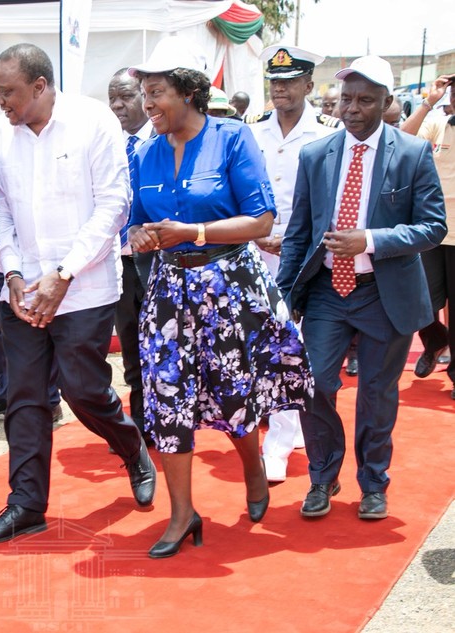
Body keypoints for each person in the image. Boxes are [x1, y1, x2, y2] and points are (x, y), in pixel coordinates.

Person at [127, 37, 313, 558]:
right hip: (168, 289)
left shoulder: (231, 138)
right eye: (144, 93)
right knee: (166, 397)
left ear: (189, 91)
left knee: (233, 392)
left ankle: (253, 466)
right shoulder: (144, 152)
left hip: (228, 285)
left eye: (156, 92)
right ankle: (183, 513)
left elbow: (261, 220)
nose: (148, 104)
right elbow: (137, 223)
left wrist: (194, 232)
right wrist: (139, 235)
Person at [0, 43, 156, 546]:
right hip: (24, 289)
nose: (0, 102)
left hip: (86, 288)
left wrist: (63, 274)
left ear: (39, 86)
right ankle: (26, 505)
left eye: (7, 92)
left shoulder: (94, 122)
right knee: (25, 398)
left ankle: (131, 446)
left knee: (84, 391)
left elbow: (114, 208)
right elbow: (0, 212)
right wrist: (11, 274)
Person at [277, 56, 446, 521]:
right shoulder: (316, 155)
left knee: (376, 391)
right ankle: (322, 475)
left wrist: (369, 240)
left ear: (387, 103)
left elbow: (433, 227)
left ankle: (373, 483)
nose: (351, 108)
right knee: (315, 385)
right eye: (345, 99)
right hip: (328, 291)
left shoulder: (412, 154)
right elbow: (299, 232)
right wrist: (285, 294)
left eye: (364, 100)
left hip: (383, 293)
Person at [246, 45, 339, 483]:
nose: (280, 88)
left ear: (308, 85)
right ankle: (286, 423)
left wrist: (301, 244)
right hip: (254, 254)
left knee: (288, 349)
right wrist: (257, 235)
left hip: (306, 260)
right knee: (261, 350)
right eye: (275, 81)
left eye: (290, 81)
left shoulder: (328, 134)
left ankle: (278, 443)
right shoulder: (251, 132)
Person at [107, 67, 155, 439]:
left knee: (162, 343)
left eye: (126, 96)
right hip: (117, 263)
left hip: (157, 259)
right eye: (112, 98)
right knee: (130, 346)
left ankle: (166, 415)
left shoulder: (164, 140)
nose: (119, 105)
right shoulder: (106, 142)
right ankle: (138, 422)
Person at [401, 74, 455, 396]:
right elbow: (401, 140)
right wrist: (428, 102)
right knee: (420, 299)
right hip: (433, 230)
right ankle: (434, 340)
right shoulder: (439, 123)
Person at [0, 259, 63, 424]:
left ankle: (49, 399)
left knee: (38, 318)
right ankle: (1, 394)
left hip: (41, 256)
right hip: (1, 256)